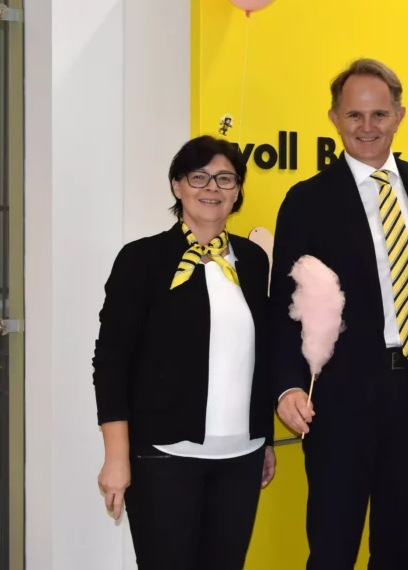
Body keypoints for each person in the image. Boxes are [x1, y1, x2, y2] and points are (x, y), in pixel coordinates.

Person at [270, 58, 408, 570]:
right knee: (333, 545)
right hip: (340, 399)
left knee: (399, 544)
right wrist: (286, 385)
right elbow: (282, 308)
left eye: (379, 114)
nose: (368, 127)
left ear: (400, 115)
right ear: (334, 119)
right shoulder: (306, 200)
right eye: (355, 115)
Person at [92, 135, 275, 570]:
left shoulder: (252, 260)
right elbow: (111, 362)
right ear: (178, 186)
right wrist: (116, 458)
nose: (212, 188)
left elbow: (261, 355)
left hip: (241, 459)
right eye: (200, 176)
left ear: (237, 191)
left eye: (225, 179)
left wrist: (264, 439)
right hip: (164, 460)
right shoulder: (142, 259)